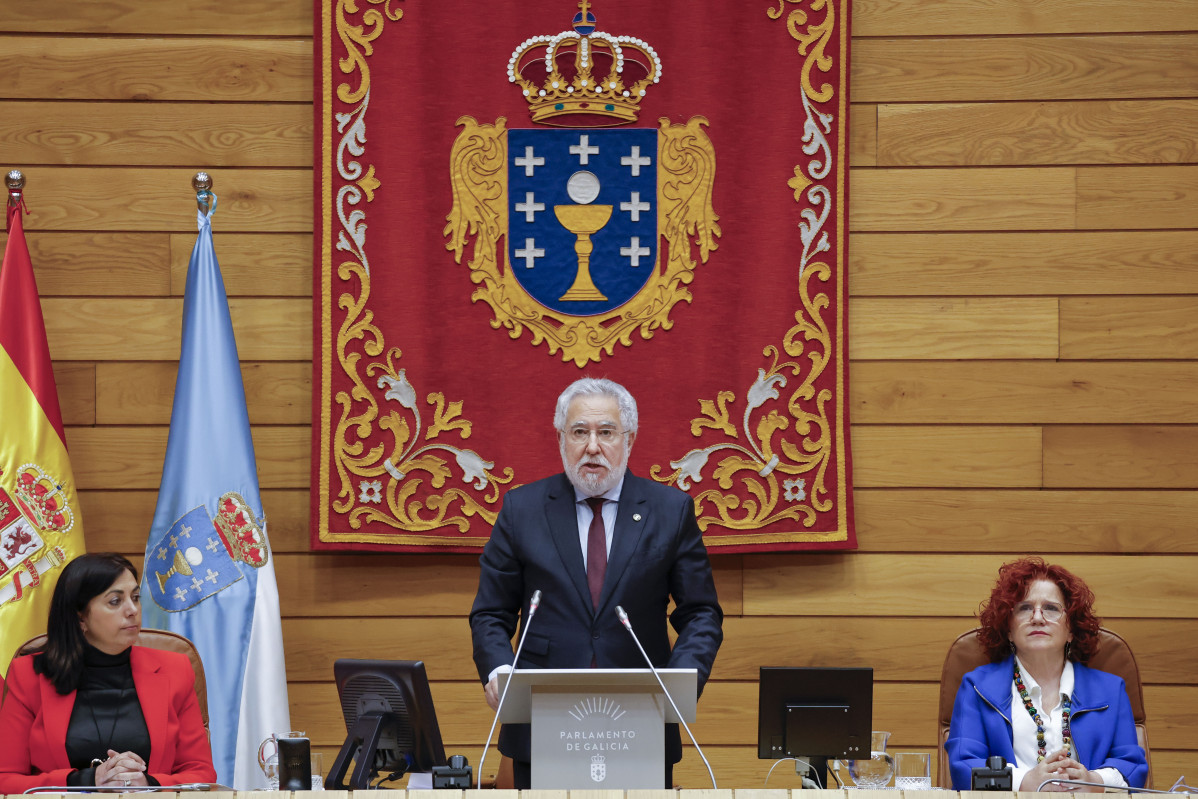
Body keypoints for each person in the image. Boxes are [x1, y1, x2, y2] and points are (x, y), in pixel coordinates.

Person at [470, 377, 723, 788]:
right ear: (560, 439)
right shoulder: (523, 509)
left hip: (641, 719)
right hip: (542, 721)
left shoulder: (670, 511)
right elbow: (490, 612)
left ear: (629, 439)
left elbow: (701, 614)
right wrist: (500, 668)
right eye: (579, 432)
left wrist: (681, 682)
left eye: (606, 433)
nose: (592, 447)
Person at [0, 553, 216, 792]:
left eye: (135, 597)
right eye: (115, 601)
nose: (132, 610)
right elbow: (5, 779)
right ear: (80, 616)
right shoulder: (29, 675)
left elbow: (202, 774)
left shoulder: (175, 670)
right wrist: (85, 781)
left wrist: (148, 784)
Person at [946, 557, 1147, 791]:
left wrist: (1094, 782)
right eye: (1024, 608)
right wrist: (1023, 782)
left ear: (1071, 629)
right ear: (1009, 629)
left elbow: (1132, 767)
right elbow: (963, 769)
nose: (1038, 617)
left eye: (1051, 608)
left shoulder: (1111, 690)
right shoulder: (977, 687)